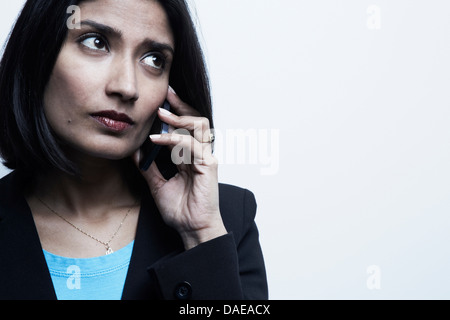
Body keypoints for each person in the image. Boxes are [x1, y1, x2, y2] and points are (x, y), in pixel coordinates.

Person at [0, 0, 268, 300]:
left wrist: (200, 235)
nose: (127, 87)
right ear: (36, 55)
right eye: (96, 42)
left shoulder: (225, 222)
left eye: (154, 60)